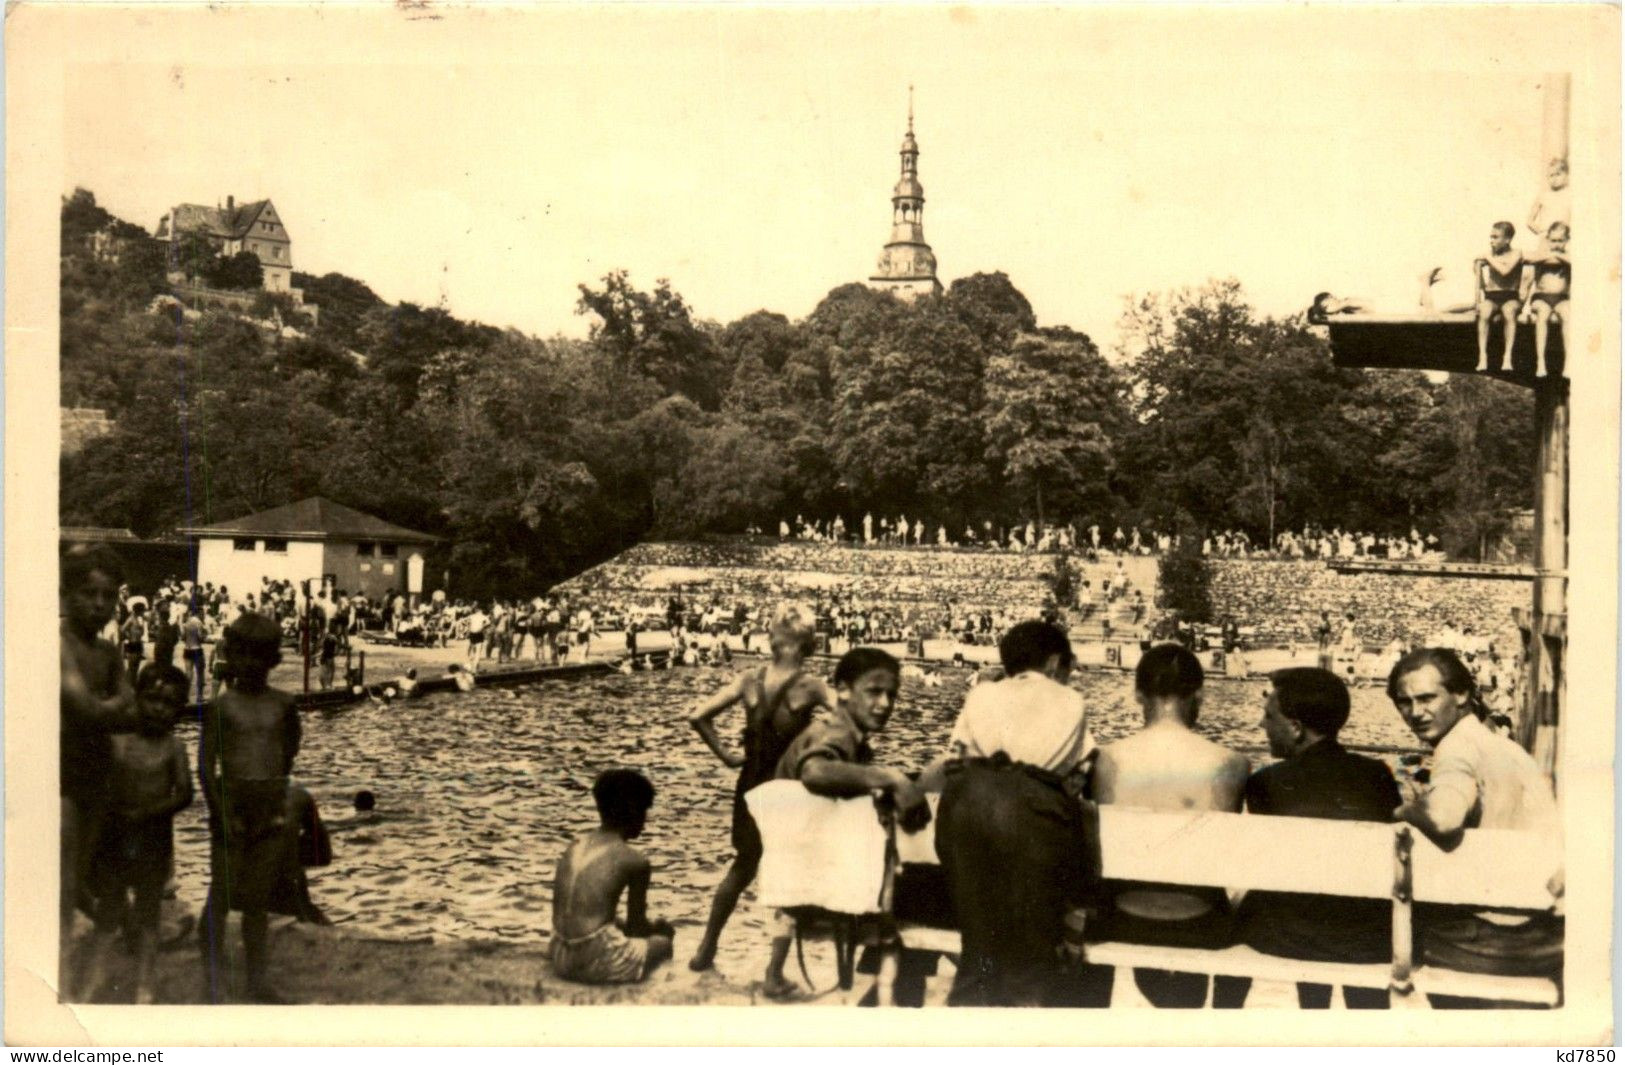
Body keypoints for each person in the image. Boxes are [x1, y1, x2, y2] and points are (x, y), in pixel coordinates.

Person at [926, 620, 1096, 1007]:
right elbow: (1077, 774)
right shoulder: (1071, 701)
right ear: (1055, 664)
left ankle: (975, 1000)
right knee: (1029, 958)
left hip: (969, 810)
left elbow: (958, 757)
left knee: (979, 947)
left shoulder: (982, 696)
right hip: (1033, 819)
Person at [1387, 648, 1563, 1002]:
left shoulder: (1457, 748)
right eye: (1404, 702)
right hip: (1544, 932)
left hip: (1495, 943)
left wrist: (1404, 809)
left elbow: (1443, 817)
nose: (1416, 713)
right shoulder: (1503, 747)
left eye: (1427, 698)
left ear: (1462, 694)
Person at [1089, 643, 1251, 1008]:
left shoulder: (1105, 760)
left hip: (1122, 916)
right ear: (1199, 695)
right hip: (1198, 920)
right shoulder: (1232, 763)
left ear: (1137, 694)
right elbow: (1221, 857)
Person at [760, 647, 928, 998]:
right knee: (926, 892)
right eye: (874, 691)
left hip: (796, 859)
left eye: (892, 695)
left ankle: (887, 982)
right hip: (812, 868)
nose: (885, 704)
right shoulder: (834, 731)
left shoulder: (845, 732)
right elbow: (815, 771)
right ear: (843, 689)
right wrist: (891, 777)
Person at [1230, 668, 1400, 1009]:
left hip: (1292, 937)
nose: (1262, 725)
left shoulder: (1265, 783)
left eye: (1268, 716)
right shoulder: (1377, 775)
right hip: (1365, 940)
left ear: (1295, 728)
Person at [686, 604, 831, 972]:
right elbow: (850, 715)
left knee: (742, 867)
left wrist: (728, 757)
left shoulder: (749, 679)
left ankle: (706, 949)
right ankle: (774, 971)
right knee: (792, 873)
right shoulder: (810, 686)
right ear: (809, 645)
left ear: (770, 641)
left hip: (749, 782)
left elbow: (698, 717)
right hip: (789, 789)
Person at [198, 612, 302, 1003]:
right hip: (231, 805)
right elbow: (206, 764)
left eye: (260, 656)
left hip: (267, 807)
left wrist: (277, 796)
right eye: (242, 655)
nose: (251, 664)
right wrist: (220, 811)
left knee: (257, 900)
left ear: (274, 660)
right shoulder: (222, 707)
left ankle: (256, 981)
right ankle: (211, 978)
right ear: (230, 656)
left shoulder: (283, 704)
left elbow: (289, 750)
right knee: (222, 894)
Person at [79, 665, 194, 1003]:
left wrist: (146, 813)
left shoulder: (174, 748)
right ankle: (94, 979)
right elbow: (100, 780)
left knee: (148, 911)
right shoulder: (119, 741)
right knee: (108, 910)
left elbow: (184, 794)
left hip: (153, 838)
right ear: (138, 700)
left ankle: (145, 985)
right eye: (152, 699)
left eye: (168, 703)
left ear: (178, 710)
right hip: (116, 835)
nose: (159, 708)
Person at [60, 546, 141, 993]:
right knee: (66, 873)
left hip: (100, 774)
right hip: (63, 775)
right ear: (65, 593)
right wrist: (111, 709)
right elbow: (86, 707)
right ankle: (60, 971)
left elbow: (124, 705)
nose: (98, 603)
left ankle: (121, 933)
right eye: (88, 593)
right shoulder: (60, 646)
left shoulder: (109, 651)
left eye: (108, 596)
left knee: (99, 867)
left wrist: (106, 710)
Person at [550, 769, 675, 984]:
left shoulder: (576, 844)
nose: (645, 821)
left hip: (559, 951)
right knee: (663, 943)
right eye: (645, 811)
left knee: (615, 923)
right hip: (596, 958)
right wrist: (657, 930)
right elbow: (637, 929)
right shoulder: (635, 860)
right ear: (633, 811)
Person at [1520, 220, 1570, 378]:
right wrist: (1552, 255)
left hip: (1561, 298)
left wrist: (1558, 256)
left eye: (1560, 241)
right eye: (1553, 240)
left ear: (1567, 240)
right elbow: (1529, 259)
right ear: (1548, 240)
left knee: (1568, 315)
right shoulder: (1541, 255)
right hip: (1542, 297)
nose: (1556, 244)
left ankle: (1568, 363)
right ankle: (1540, 361)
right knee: (1543, 315)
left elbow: (1576, 261)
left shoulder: (1568, 257)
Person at [1475, 221, 1524, 373]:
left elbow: (1505, 271)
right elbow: (1478, 282)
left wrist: (1488, 258)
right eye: (1491, 237)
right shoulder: (1490, 255)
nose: (1492, 241)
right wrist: (1478, 300)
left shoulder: (1516, 253)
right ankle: (1482, 355)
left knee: (1509, 312)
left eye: (1496, 237)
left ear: (1507, 239)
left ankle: (1507, 356)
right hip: (1492, 296)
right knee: (1484, 312)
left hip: (1510, 296)